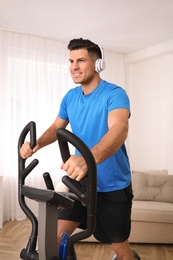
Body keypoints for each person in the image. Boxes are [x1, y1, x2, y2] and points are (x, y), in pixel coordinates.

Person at [20, 38, 134, 260]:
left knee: (119, 247)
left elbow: (120, 128)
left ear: (97, 64)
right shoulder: (70, 97)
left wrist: (87, 158)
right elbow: (56, 127)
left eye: (81, 60)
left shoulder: (114, 94)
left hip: (113, 187)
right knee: (54, 240)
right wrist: (36, 145)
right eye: (71, 61)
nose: (74, 66)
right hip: (82, 185)